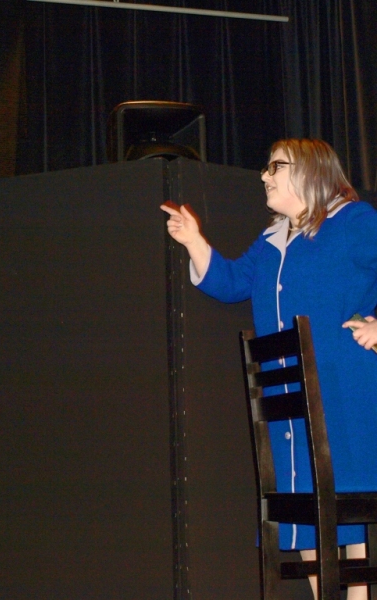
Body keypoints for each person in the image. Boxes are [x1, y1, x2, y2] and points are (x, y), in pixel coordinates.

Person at [161, 138, 377, 600]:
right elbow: (231, 283)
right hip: (289, 401)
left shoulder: (354, 221)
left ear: (310, 170)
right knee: (304, 507)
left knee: (349, 501)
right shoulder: (273, 239)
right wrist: (194, 240)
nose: (264, 175)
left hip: (343, 389)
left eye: (274, 166)